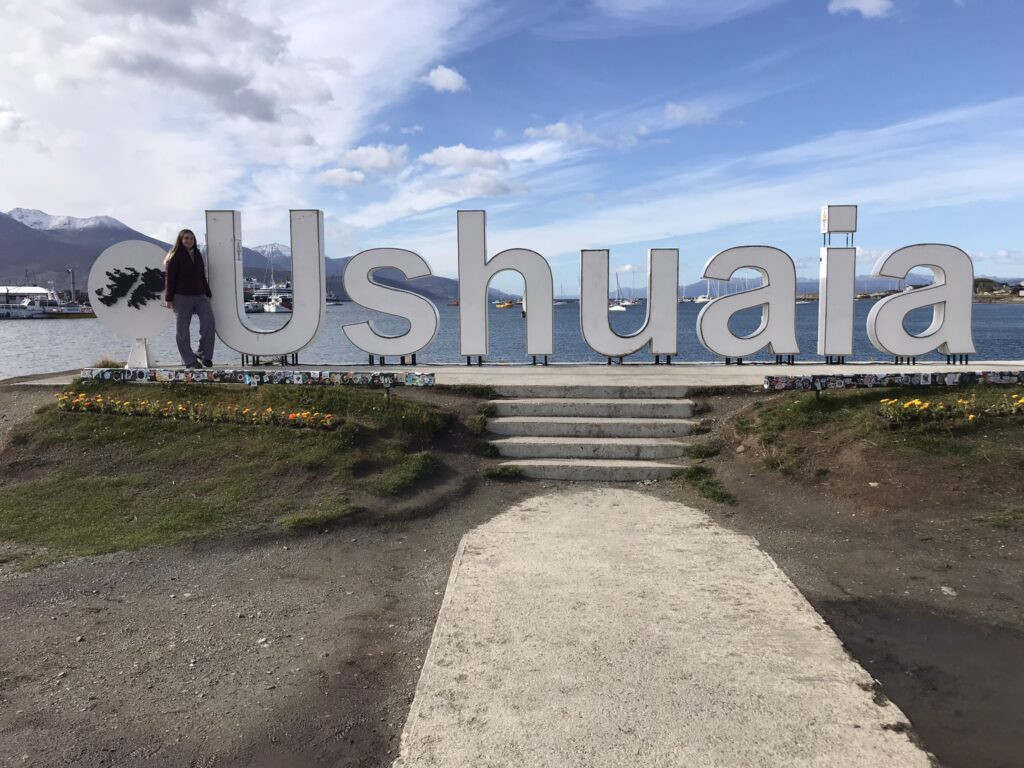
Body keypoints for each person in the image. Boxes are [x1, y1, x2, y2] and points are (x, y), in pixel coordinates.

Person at [163, 229, 215, 368]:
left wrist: (208, 294)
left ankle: (204, 354)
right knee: (182, 331)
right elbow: (170, 279)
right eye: (186, 238)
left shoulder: (198, 254)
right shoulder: (174, 256)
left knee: (209, 323)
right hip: (181, 297)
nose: (189, 240)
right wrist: (169, 298)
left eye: (191, 238)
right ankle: (189, 360)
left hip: (200, 296)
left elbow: (202, 276)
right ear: (180, 240)